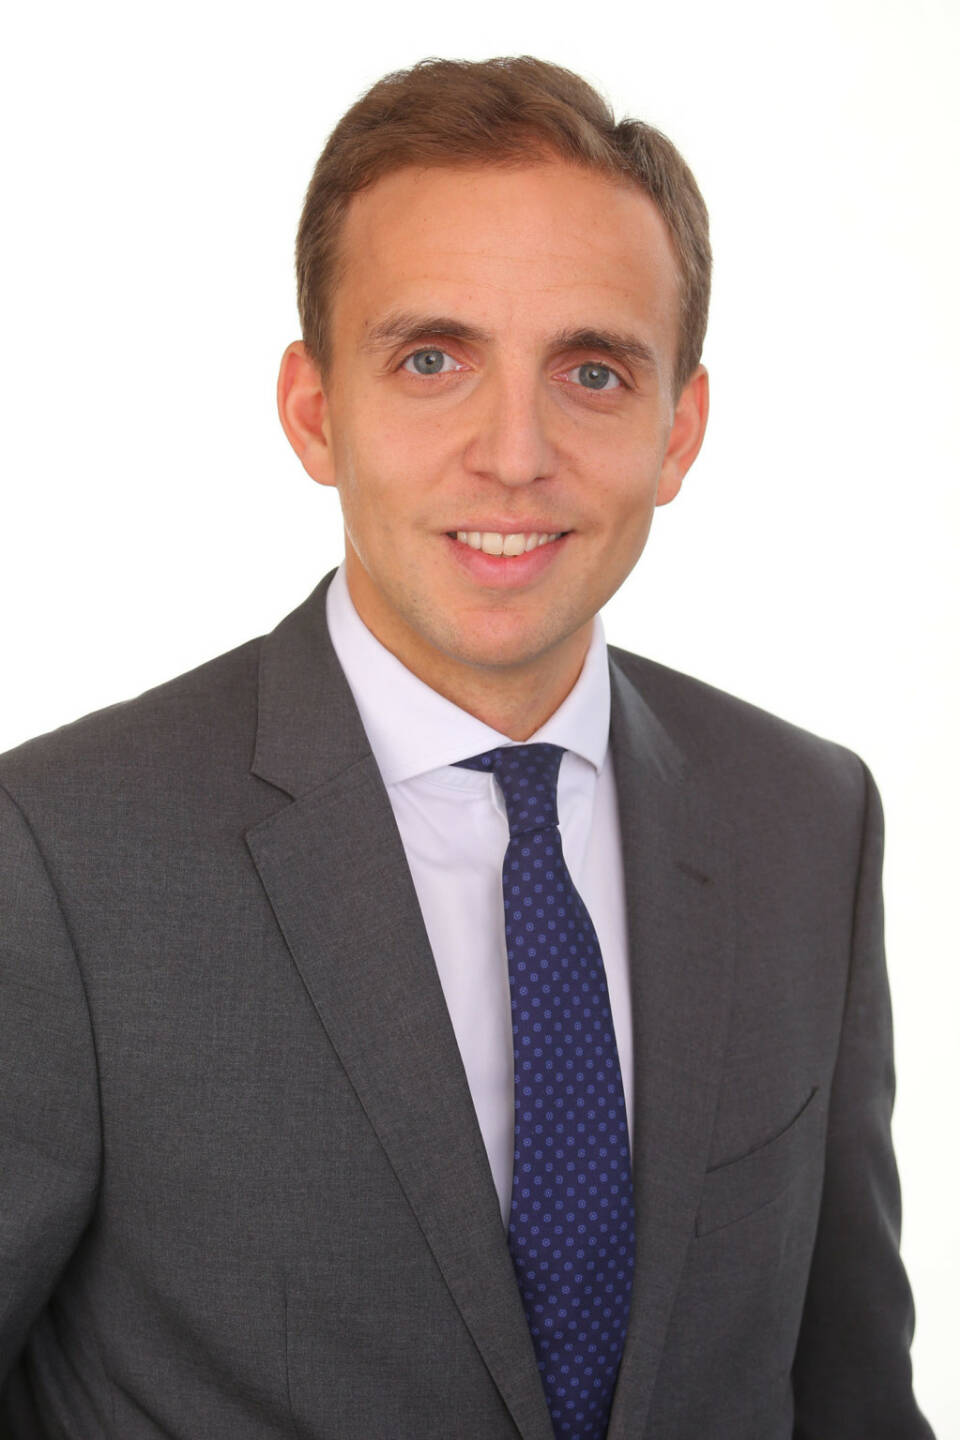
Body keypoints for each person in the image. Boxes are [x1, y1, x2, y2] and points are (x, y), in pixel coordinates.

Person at [0, 55, 933, 1440]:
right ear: (315, 411)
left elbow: (851, 1395)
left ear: (678, 431)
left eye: (593, 371)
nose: (514, 453)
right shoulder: (57, 854)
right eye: (432, 360)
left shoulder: (806, 818)